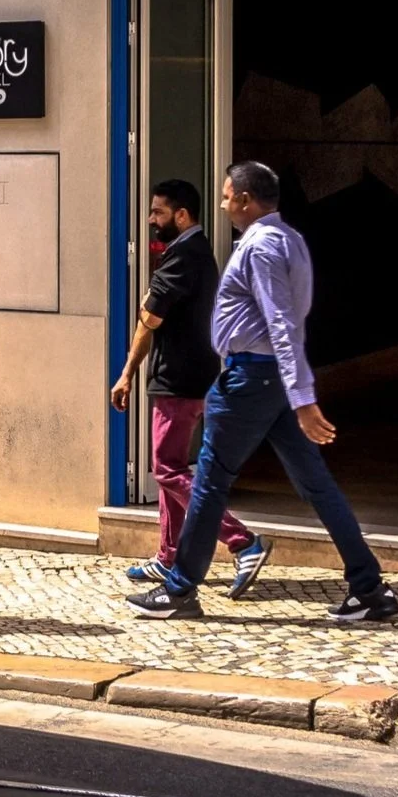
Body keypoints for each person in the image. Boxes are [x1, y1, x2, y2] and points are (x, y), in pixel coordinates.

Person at [130, 163, 398, 622]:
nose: (221, 203)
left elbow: (282, 322)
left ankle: (178, 591)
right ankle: (370, 591)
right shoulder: (289, 239)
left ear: (245, 199)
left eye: (226, 195)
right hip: (265, 380)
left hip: (251, 379)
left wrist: (303, 398)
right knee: (317, 485)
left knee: (210, 482)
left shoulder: (261, 247)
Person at [113, 180, 269, 593]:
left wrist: (127, 371)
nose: (151, 220)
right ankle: (168, 557)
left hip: (178, 381)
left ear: (182, 216)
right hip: (193, 376)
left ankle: (242, 541)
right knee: (172, 471)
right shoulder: (195, 255)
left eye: (158, 212)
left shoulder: (183, 257)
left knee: (166, 469)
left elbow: (150, 319)